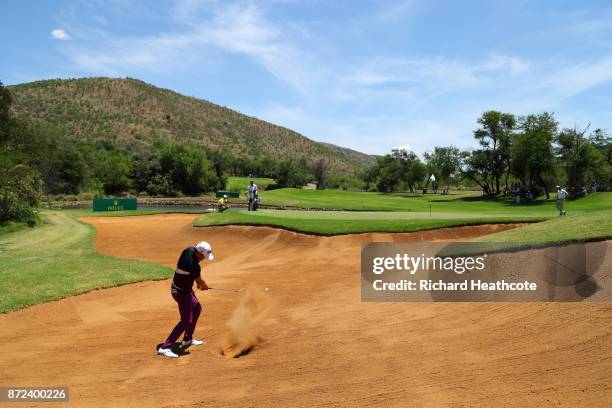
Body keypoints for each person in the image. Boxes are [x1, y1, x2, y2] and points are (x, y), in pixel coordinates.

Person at [157, 242, 212, 358]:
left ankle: (187, 339)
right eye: (203, 256)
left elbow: (194, 279)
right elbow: (200, 283)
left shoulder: (188, 251)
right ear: (199, 253)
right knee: (186, 320)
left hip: (184, 290)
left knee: (196, 308)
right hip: (180, 293)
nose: (203, 259)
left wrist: (198, 284)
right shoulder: (194, 266)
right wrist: (204, 286)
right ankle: (165, 347)